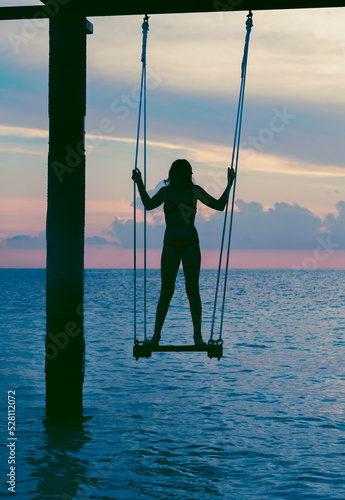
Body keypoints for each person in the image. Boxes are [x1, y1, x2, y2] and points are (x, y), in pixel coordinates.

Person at [132, 159, 235, 346]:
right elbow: (147, 205)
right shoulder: (166, 192)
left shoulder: (194, 192)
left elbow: (219, 206)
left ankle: (198, 338)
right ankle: (155, 338)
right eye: (175, 176)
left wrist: (229, 183)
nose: (179, 179)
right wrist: (139, 182)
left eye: (183, 176)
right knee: (166, 291)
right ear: (170, 176)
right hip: (170, 244)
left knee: (192, 290)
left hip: (190, 244)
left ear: (189, 177)